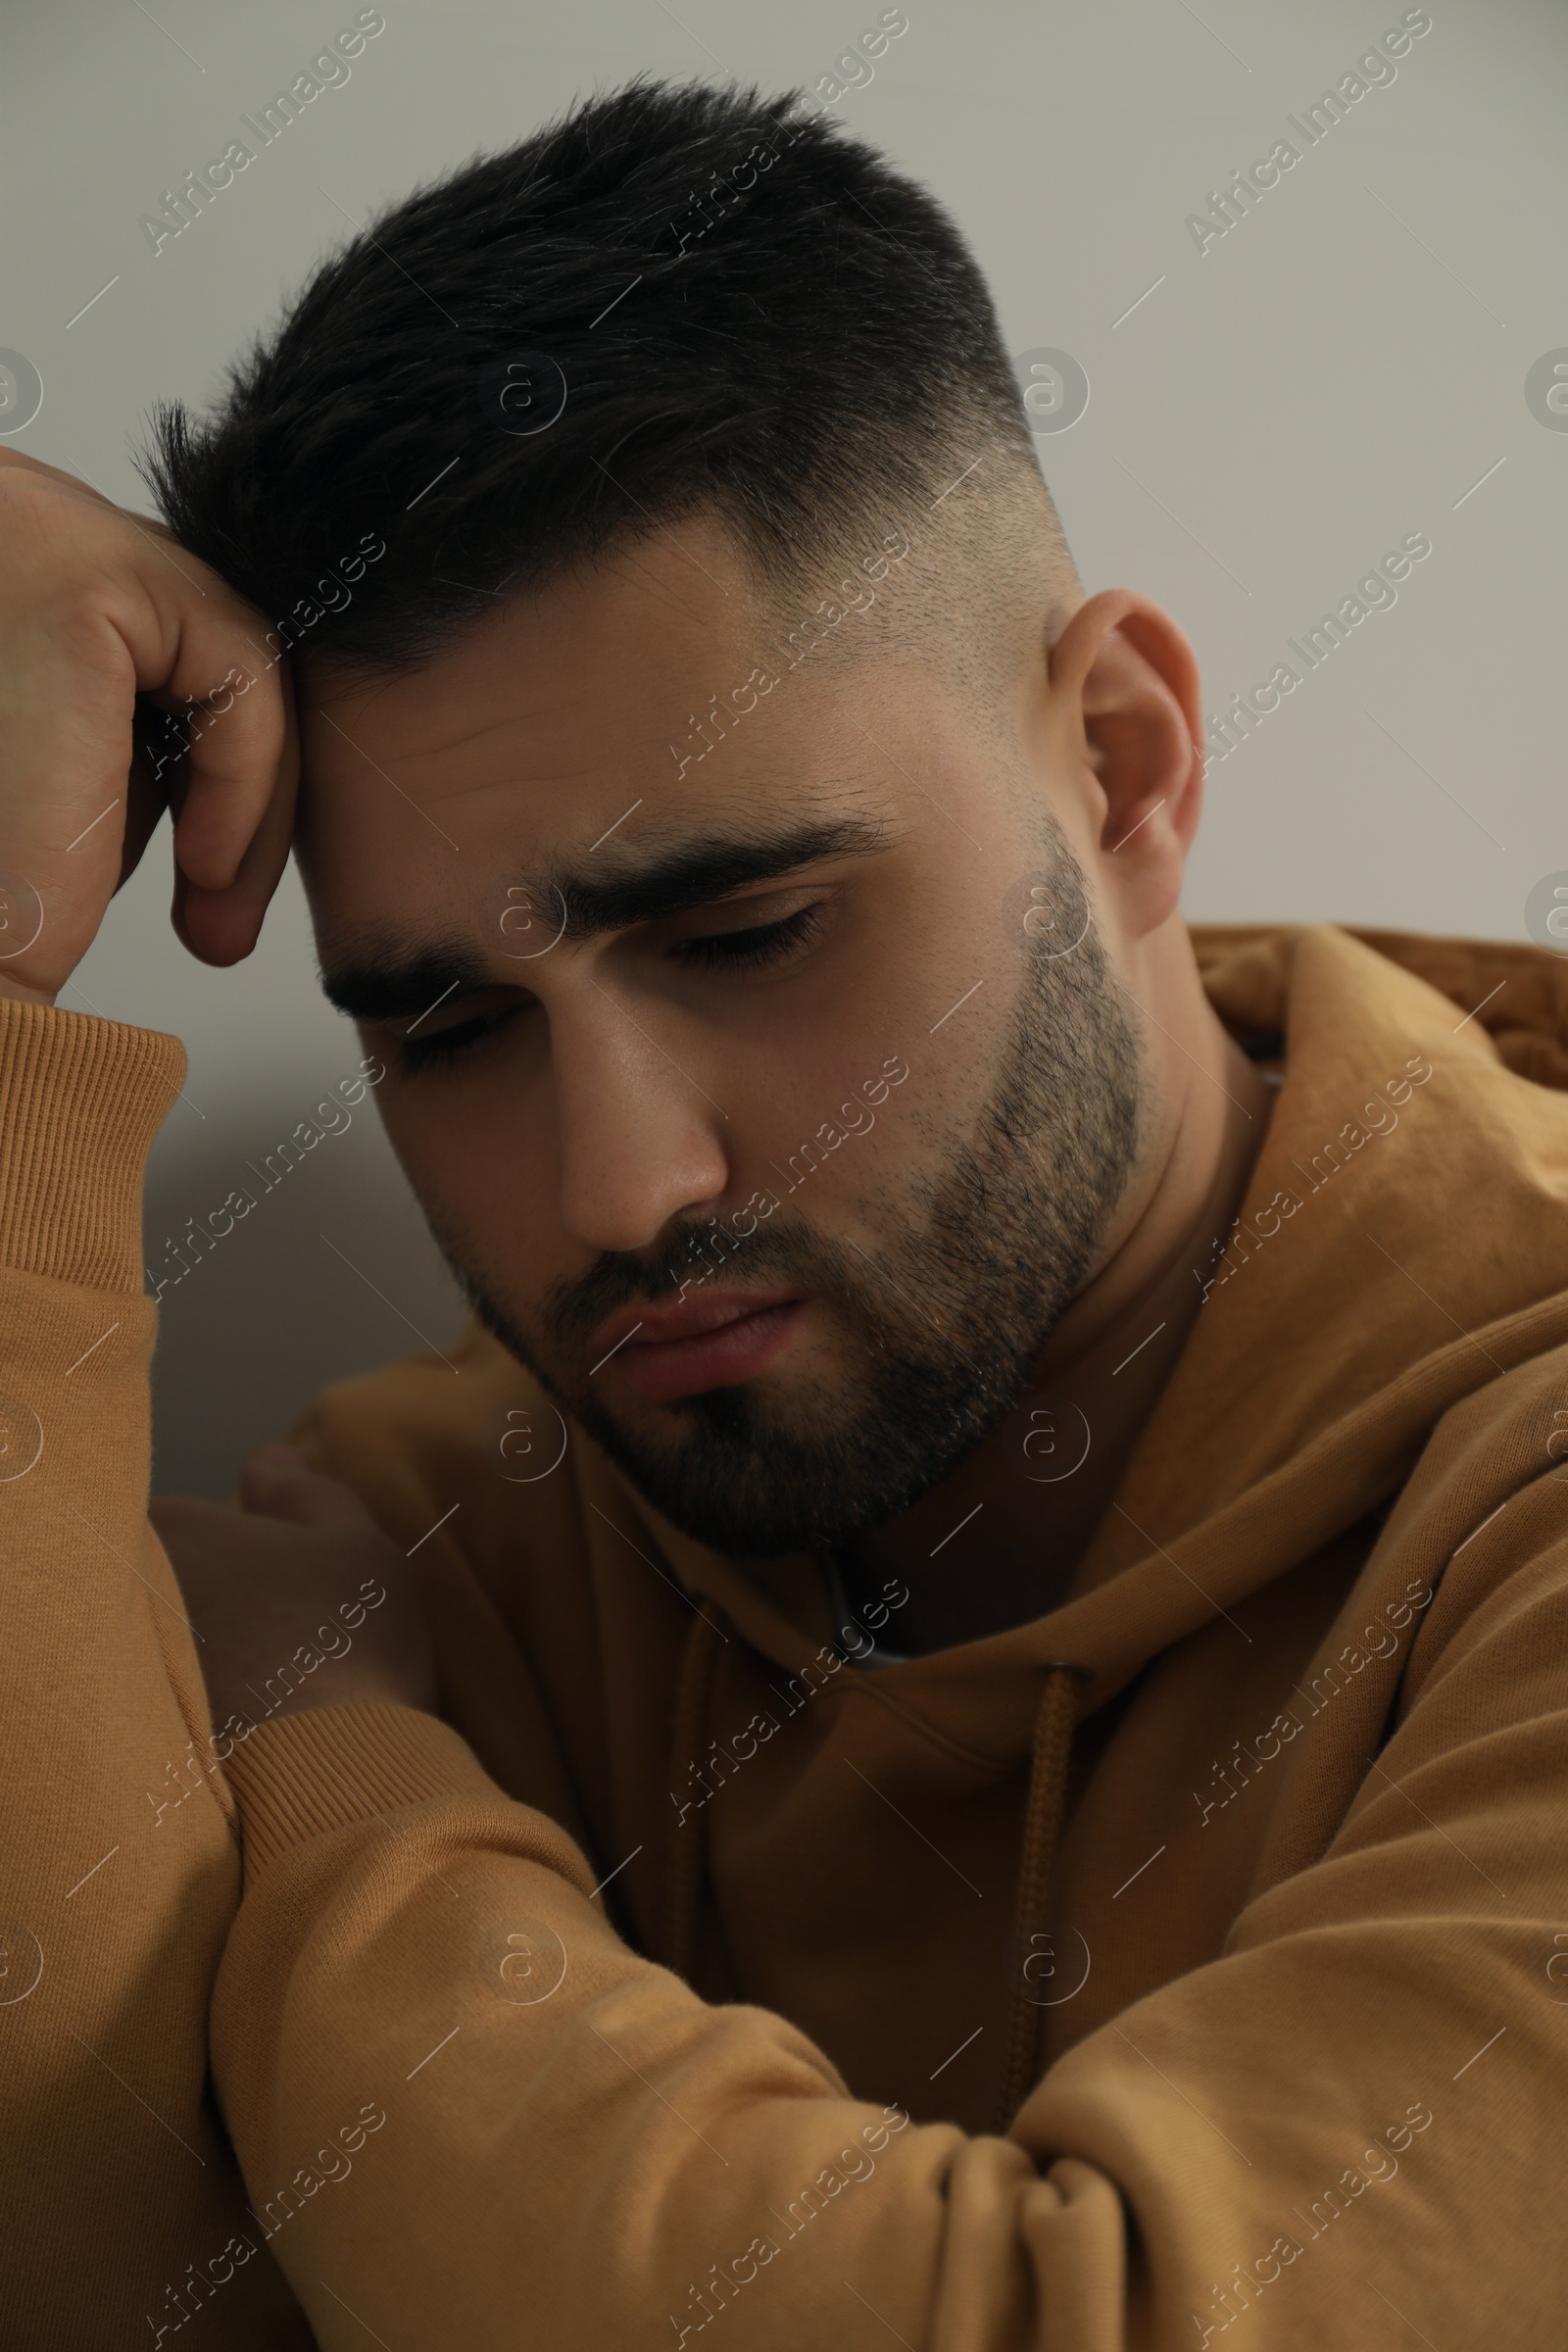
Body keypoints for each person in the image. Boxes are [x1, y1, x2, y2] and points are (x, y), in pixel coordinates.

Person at [3, 71, 1565, 2351]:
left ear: (1119, 767)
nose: (619, 1187)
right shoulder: (430, 1529)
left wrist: (337, 1762)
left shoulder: (332, 1650)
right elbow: (106, 2279)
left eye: (743, 936)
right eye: (447, 1029)